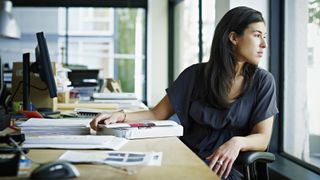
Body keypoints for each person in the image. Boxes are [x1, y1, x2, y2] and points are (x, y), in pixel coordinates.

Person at [90, 6, 278, 180]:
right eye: (257, 35)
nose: (264, 44)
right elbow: (157, 113)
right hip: (185, 157)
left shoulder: (263, 82)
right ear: (233, 37)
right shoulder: (195, 75)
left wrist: (237, 142)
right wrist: (119, 116)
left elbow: (262, 138)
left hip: (226, 168)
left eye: (265, 36)